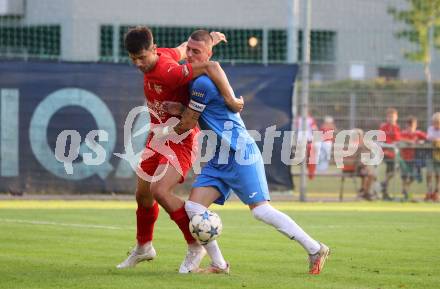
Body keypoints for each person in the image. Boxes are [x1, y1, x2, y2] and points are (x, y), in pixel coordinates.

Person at [156, 30, 329, 275]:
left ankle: (315, 248)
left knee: (261, 211)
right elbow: (200, 112)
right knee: (194, 209)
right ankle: (218, 264)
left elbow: (187, 124)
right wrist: (183, 108)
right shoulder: (197, 78)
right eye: (190, 51)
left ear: (208, 53)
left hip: (240, 153)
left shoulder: (202, 82)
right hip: (219, 157)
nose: (191, 56)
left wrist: (166, 127)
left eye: (197, 52)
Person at [117, 26, 244, 273]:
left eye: (142, 58)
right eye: (133, 59)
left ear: (153, 50)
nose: (138, 64)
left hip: (181, 139)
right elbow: (184, 48)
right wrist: (212, 40)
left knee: (160, 191)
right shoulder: (164, 54)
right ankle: (144, 248)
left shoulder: (169, 71)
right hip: (157, 138)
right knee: (142, 195)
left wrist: (231, 99)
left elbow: (212, 67)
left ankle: (195, 245)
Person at [399, 116, 426, 201]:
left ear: (416, 125)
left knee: (414, 176)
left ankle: (405, 190)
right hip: (404, 159)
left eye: (412, 125)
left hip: (414, 159)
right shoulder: (403, 133)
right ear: (406, 126)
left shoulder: (418, 133)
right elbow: (398, 138)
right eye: (409, 126)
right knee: (404, 176)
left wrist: (420, 142)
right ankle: (405, 193)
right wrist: (408, 141)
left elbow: (427, 138)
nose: (410, 128)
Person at [379, 108, 401, 200]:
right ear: (387, 118)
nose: (391, 118)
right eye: (389, 117)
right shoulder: (383, 127)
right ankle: (385, 188)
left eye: (393, 117)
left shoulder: (397, 127)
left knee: (393, 170)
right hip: (385, 152)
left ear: (396, 117)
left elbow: (398, 139)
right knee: (390, 168)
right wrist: (389, 145)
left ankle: (384, 185)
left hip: (394, 153)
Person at [426, 112, 440, 201]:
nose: (436, 124)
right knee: (429, 173)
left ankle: (437, 192)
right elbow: (429, 137)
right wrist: (436, 140)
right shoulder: (430, 128)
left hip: (439, 156)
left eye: (438, 122)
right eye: (434, 122)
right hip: (431, 155)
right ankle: (429, 191)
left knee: (438, 175)